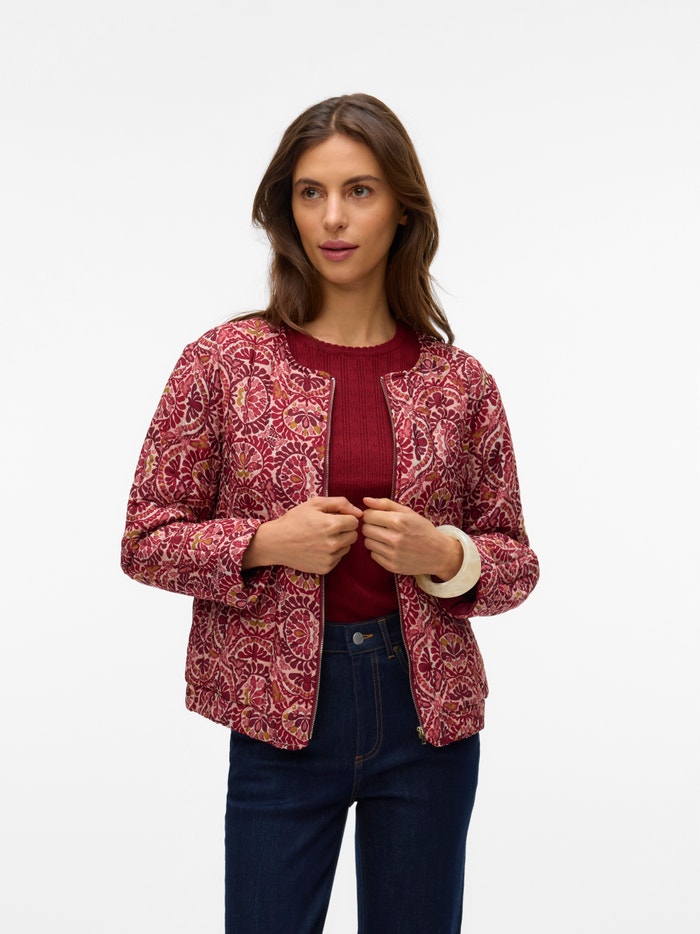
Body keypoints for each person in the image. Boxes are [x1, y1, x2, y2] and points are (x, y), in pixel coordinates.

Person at [121, 93, 539, 934]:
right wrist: (265, 542)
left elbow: (515, 560)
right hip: (279, 715)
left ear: (402, 209)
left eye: (360, 191)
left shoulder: (459, 383)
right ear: (287, 211)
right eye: (310, 193)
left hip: (427, 715)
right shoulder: (224, 364)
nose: (333, 217)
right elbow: (146, 536)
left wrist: (444, 554)